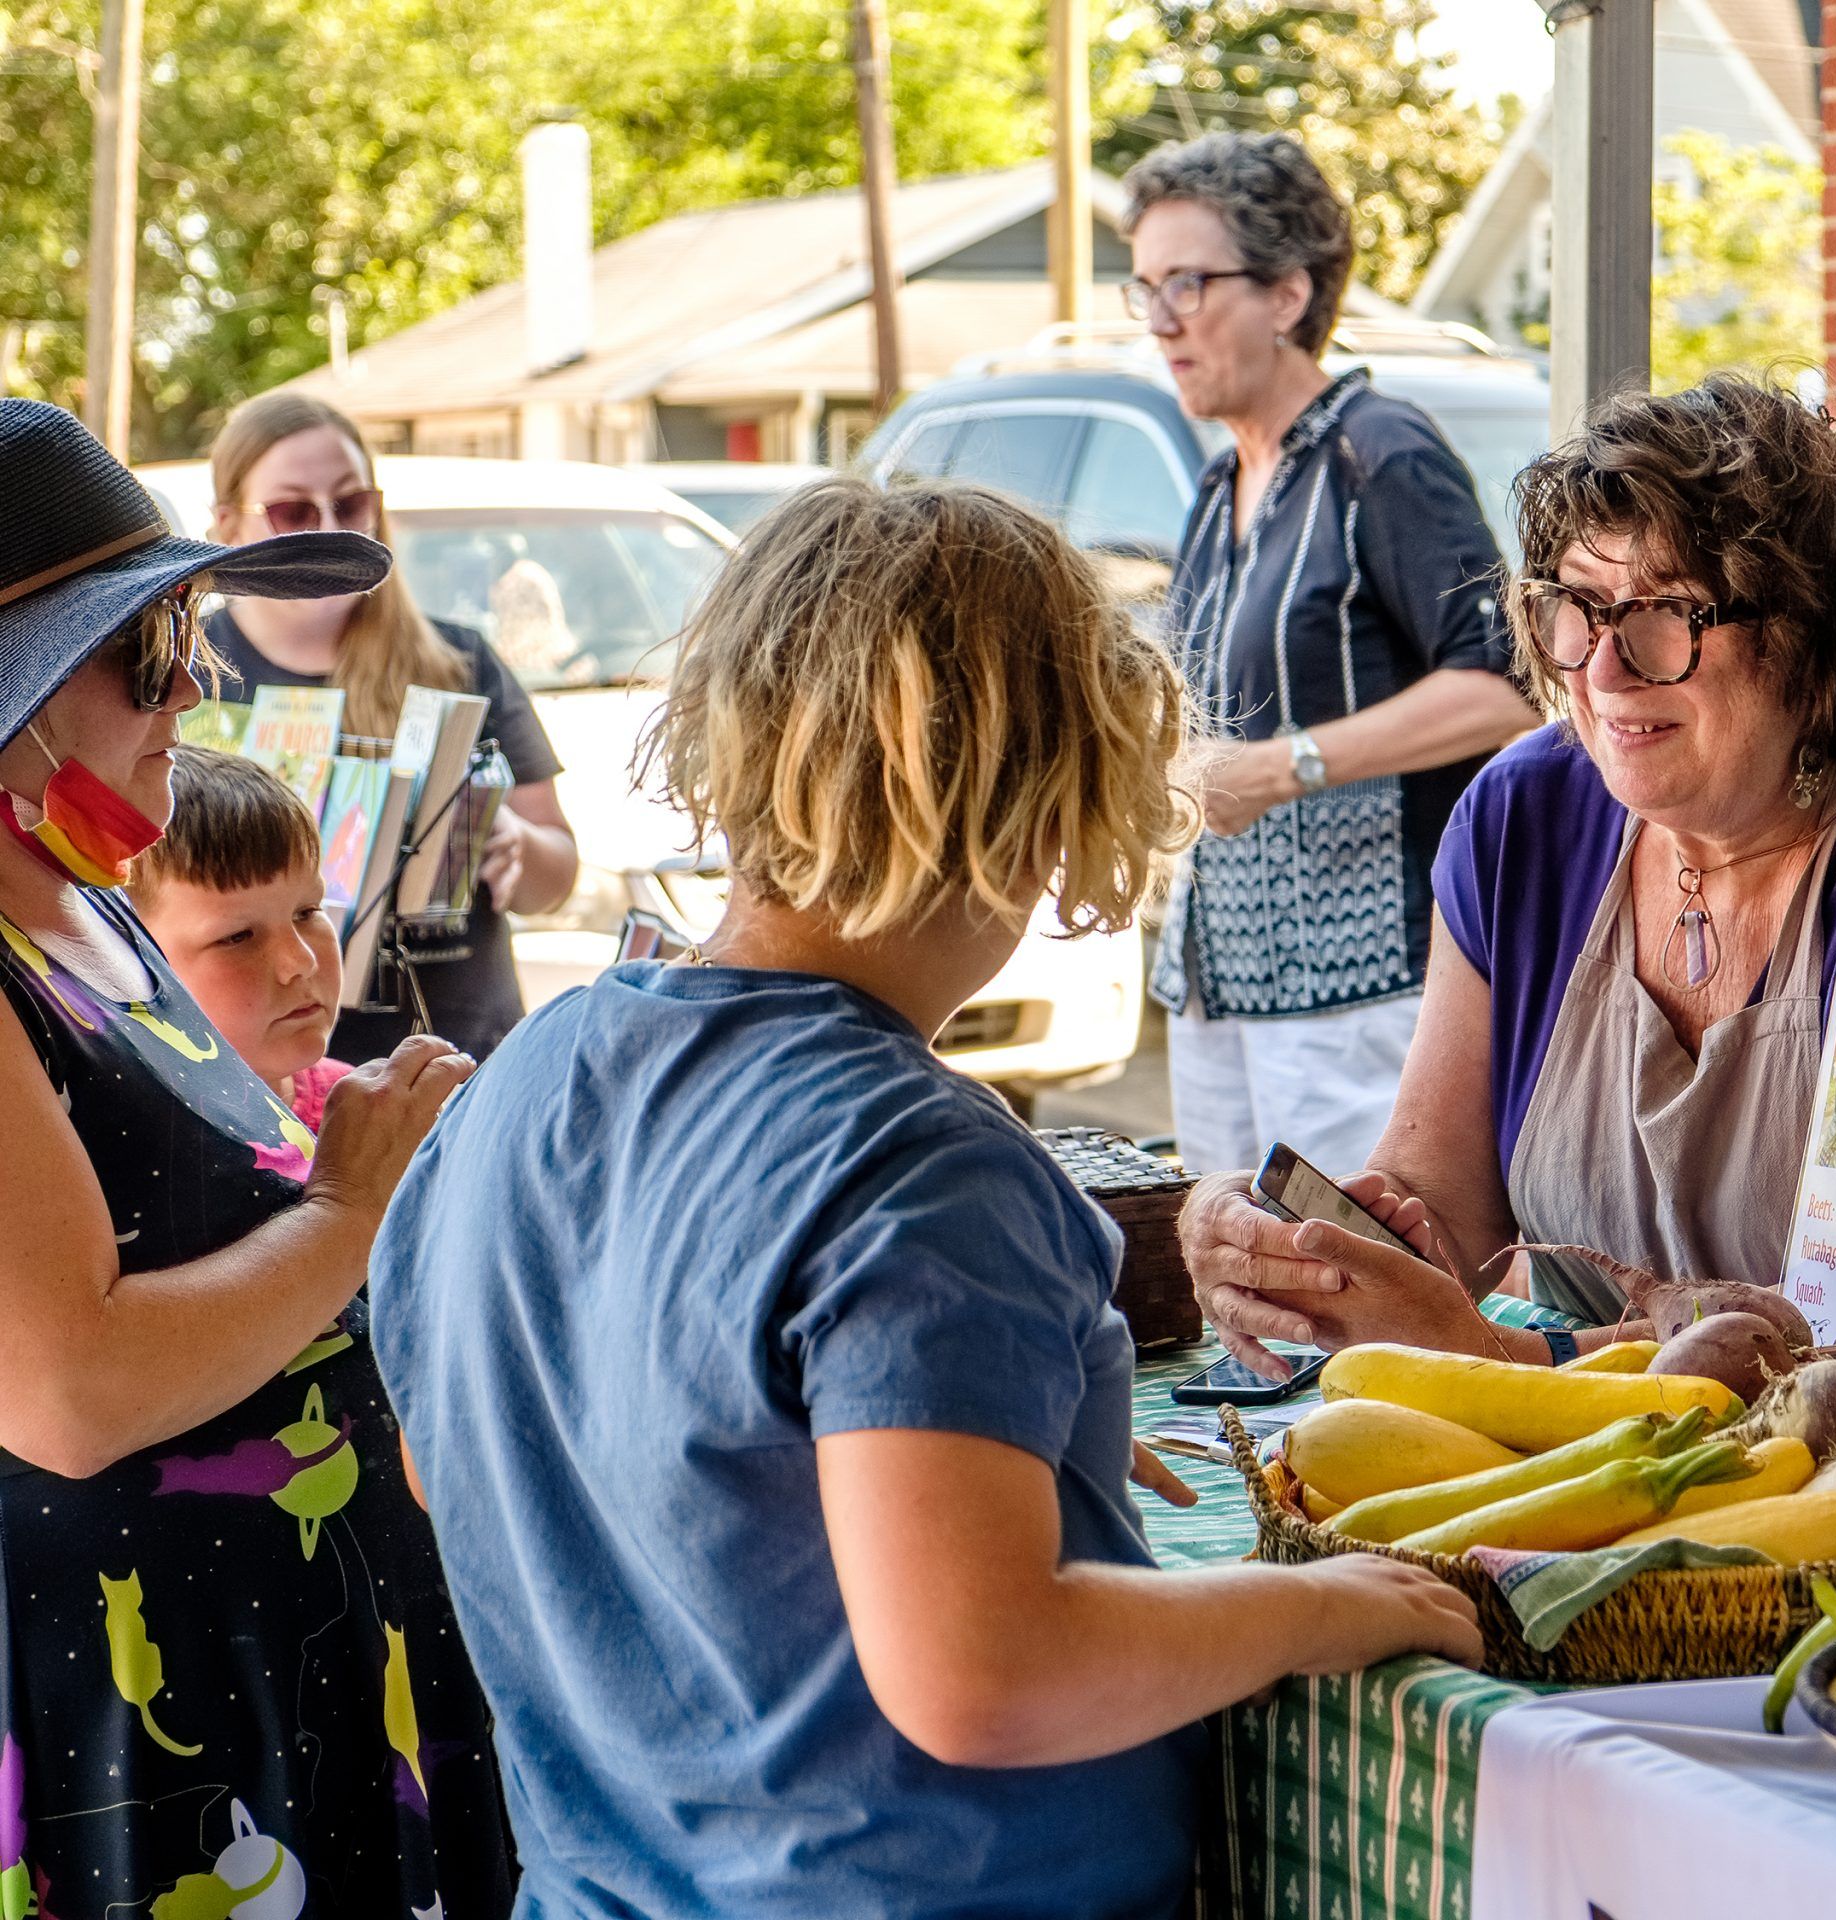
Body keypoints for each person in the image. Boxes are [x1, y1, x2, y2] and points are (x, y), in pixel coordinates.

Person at [367, 479, 1480, 1919]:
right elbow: (985, 1678)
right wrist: (1317, 1606)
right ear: (1044, 803)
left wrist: (944, 1460)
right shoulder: (917, 1154)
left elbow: (474, 1463)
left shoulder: (512, 1088)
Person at [1180, 377, 1836, 1375]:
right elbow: (1440, 1212)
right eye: (1578, 608)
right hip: (1579, 1476)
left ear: (1807, 636)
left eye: (1666, 615)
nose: (1602, 671)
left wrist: (1486, 1355)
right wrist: (1284, 1246)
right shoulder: (1524, 819)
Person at [0, 400, 513, 1915]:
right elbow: (68, 1388)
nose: (198, 685)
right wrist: (354, 1204)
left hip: (292, 1664)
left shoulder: (86, 899)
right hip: (152, 1717)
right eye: (152, 654)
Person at [1121, 131, 1536, 1178]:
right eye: (1145, 288)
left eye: (1188, 283)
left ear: (1287, 295)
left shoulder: (1378, 454)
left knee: (1355, 1295)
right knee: (1238, 1300)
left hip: (1369, 992)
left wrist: (1282, 765)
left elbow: (1507, 686)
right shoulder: (1219, 487)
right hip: (1220, 981)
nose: (1162, 320)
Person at [204, 390, 578, 1059]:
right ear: (228, 524)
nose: (329, 527)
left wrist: (518, 846)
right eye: (293, 510)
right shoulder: (188, 679)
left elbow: (559, 875)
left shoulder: (460, 663)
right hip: (275, 1074)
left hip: (464, 1058)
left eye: (350, 504)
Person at [131, 745, 354, 1132]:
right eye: (238, 937)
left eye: (307, 912)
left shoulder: (358, 1111)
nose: (301, 962)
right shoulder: (131, 1142)